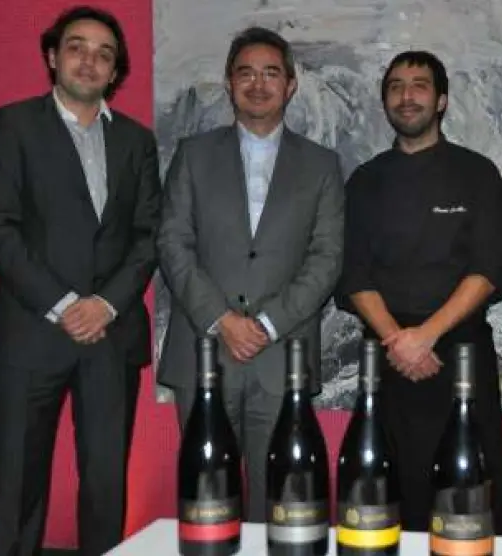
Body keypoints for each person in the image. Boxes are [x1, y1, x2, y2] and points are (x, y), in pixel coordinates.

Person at [0, 6, 161, 555]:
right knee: (16, 488)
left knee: (106, 487)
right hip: (30, 333)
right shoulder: (11, 125)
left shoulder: (136, 141)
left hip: (111, 334)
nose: (89, 61)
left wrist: (105, 304)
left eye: (104, 54)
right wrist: (63, 303)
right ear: (53, 56)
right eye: (77, 47)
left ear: (115, 70)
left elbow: (150, 234)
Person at [157, 26, 344, 522]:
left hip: (283, 356)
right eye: (246, 73)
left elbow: (326, 258)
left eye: (271, 74)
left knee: (280, 503)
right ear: (229, 82)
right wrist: (222, 320)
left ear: (290, 84)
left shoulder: (322, 165)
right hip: (203, 351)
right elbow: (173, 243)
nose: (258, 85)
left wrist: (266, 324)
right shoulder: (193, 155)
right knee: (208, 499)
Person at [337, 50, 502, 534]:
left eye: (419, 85)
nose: (406, 96)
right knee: (387, 504)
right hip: (387, 363)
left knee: (468, 506)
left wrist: (426, 336)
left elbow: (488, 269)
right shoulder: (365, 181)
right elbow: (354, 275)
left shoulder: (477, 174)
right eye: (395, 86)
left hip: (459, 360)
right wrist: (400, 341)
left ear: (441, 101)